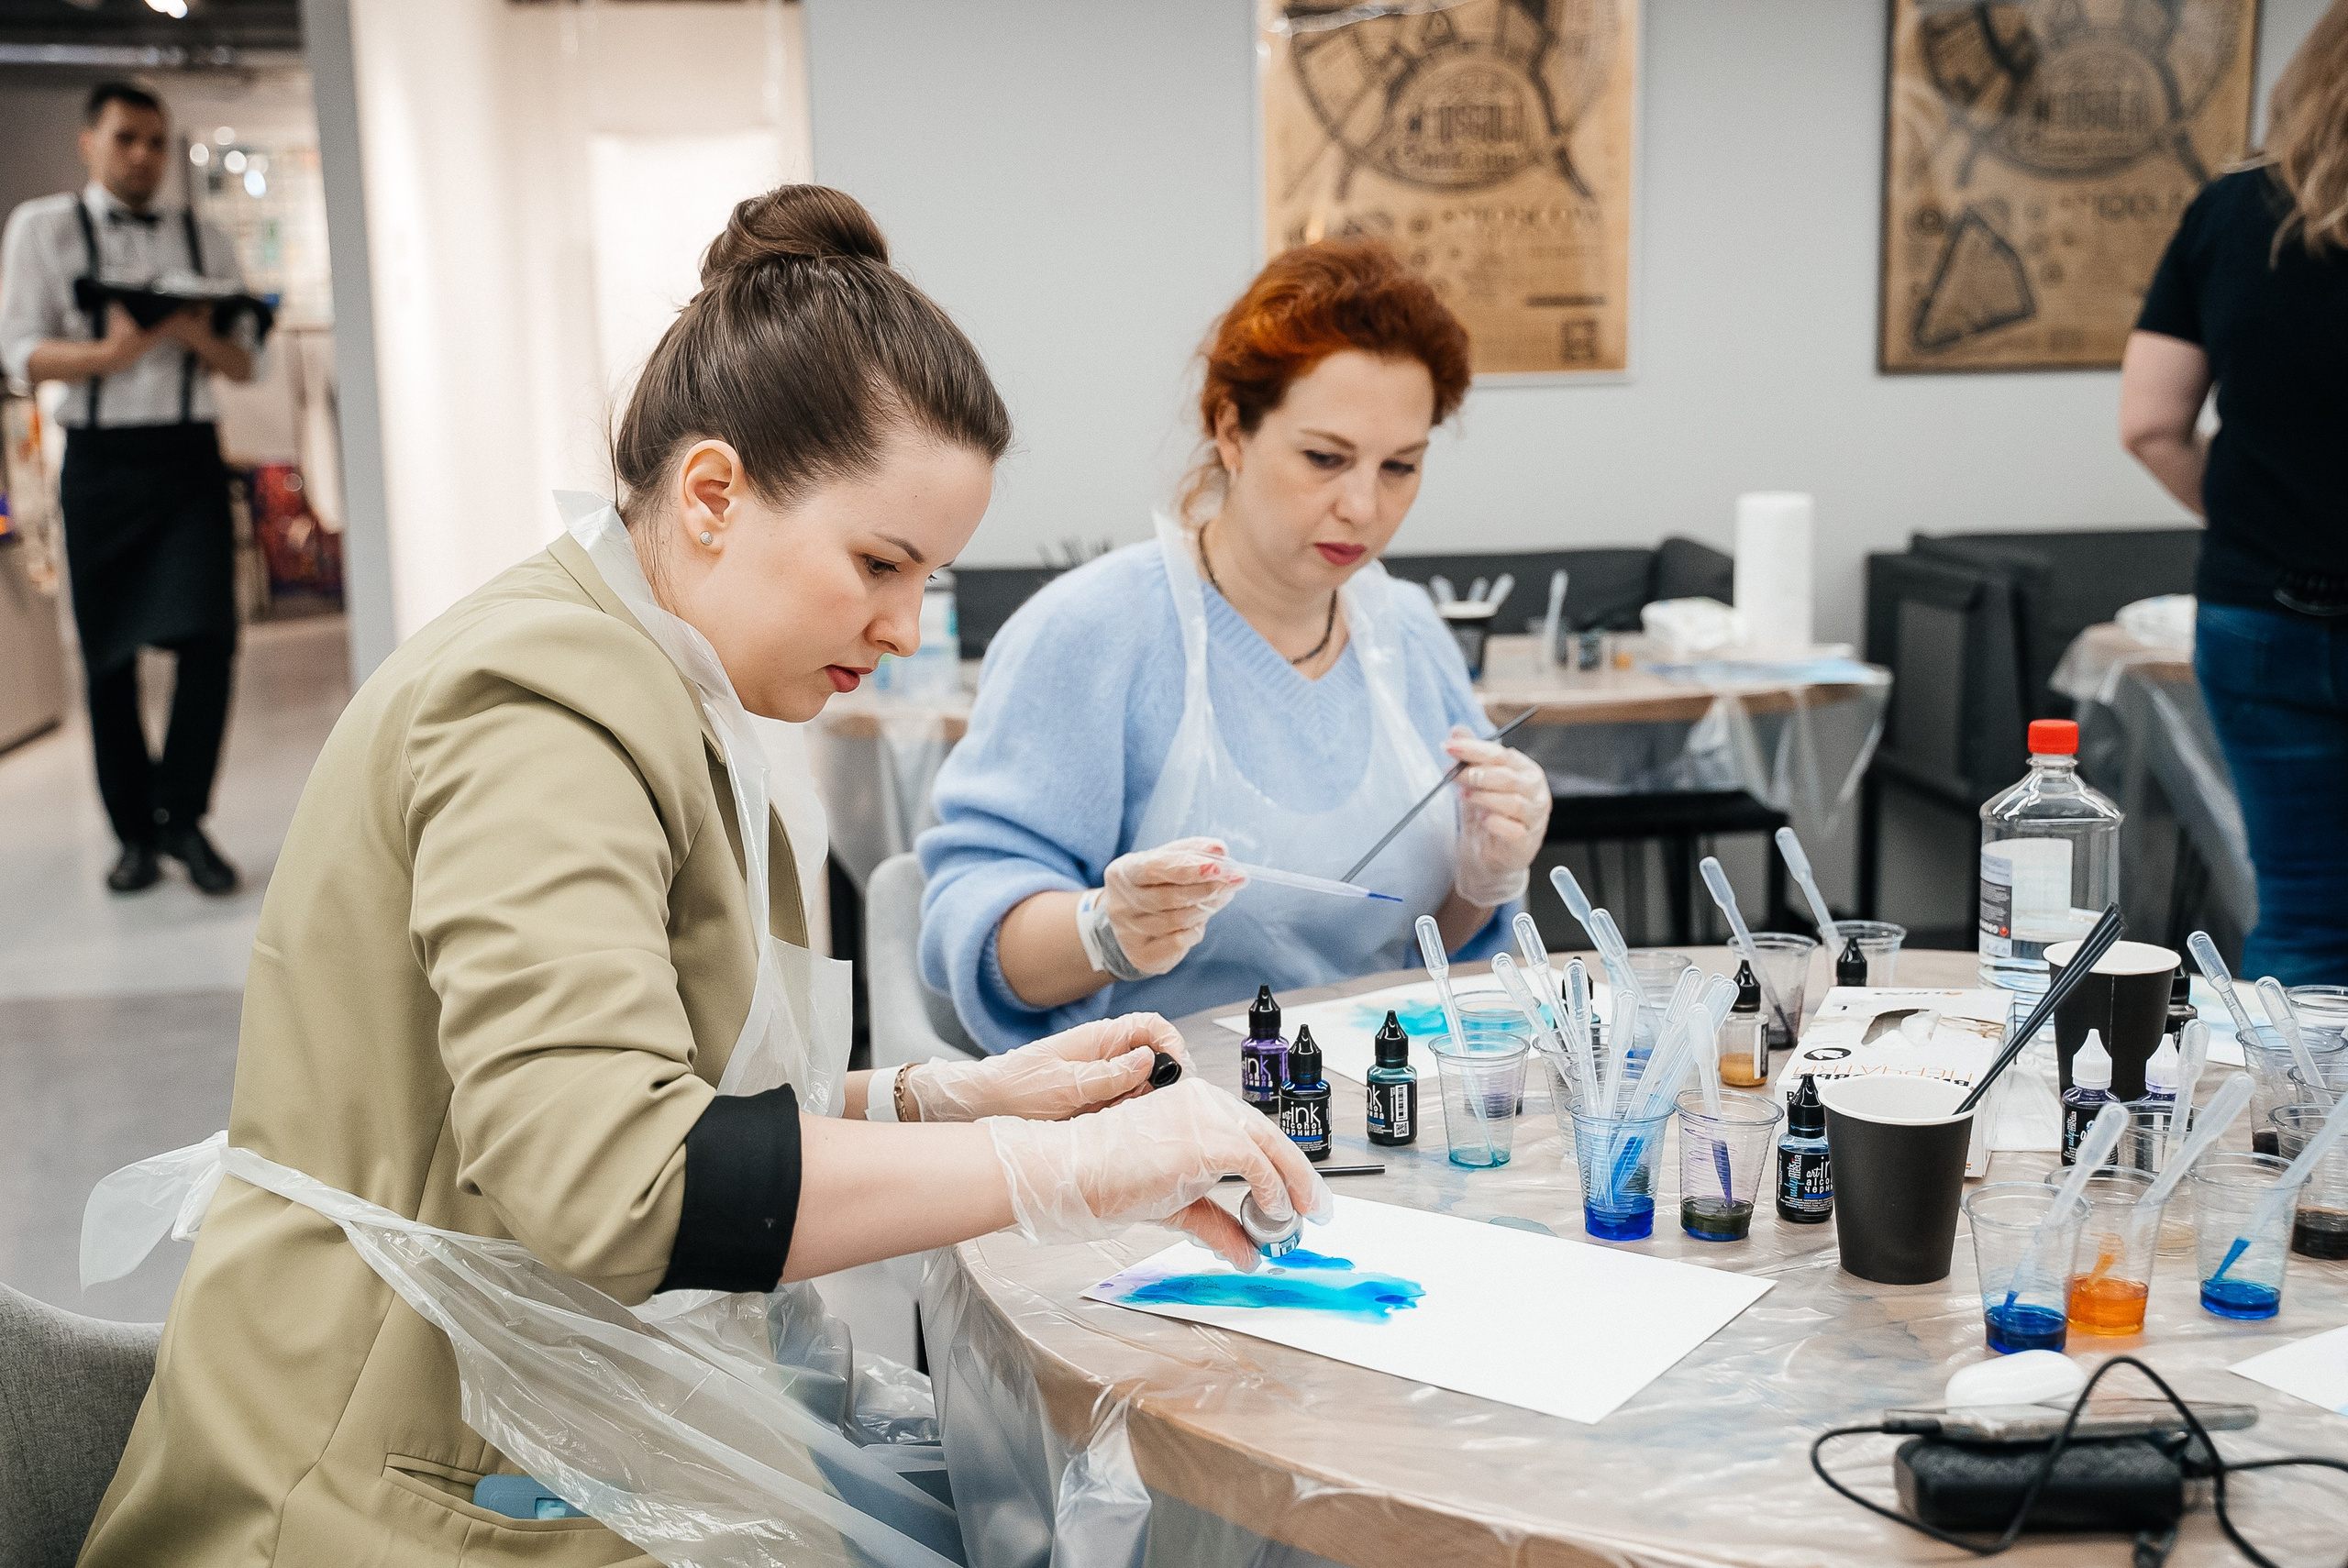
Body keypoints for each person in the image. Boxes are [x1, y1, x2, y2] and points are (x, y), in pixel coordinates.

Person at [76, 185, 1325, 1568]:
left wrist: (937, 1096)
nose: (907, 626)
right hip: (379, 1471)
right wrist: (1059, 1165)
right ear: (714, 492)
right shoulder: (541, 705)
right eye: (880, 562)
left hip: (538, 1403)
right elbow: (614, 1175)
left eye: (932, 575)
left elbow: (654, 1084)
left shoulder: (672, 688)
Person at [919, 239, 1551, 1053]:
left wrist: (1483, 876)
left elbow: (1439, 950)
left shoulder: (1412, 639)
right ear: (1232, 431)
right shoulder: (1093, 632)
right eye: (1325, 458)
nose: (1363, 506)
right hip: (1154, 1113)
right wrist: (1107, 932)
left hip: (1385, 1089)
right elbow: (965, 929)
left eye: (1401, 466)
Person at [2121, 2, 2348, 985]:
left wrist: (2265, 520)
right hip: (2259, 613)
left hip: (2264, 616)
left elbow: (2150, 423)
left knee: (2301, 913)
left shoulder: (2228, 212)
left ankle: (2297, 1138)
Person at [0, 81, 259, 895]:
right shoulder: (42, 230)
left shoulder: (205, 237)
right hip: (100, 462)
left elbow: (244, 361)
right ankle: (133, 835)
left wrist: (186, 328)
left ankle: (183, 817)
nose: (143, 155)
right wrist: (108, 358)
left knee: (209, 642)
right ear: (90, 142)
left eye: (155, 140)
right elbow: (19, 351)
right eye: (126, 139)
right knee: (108, 660)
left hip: (187, 457)